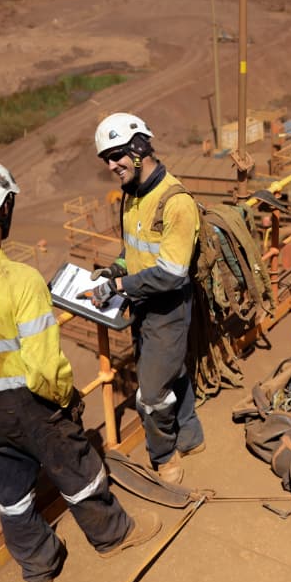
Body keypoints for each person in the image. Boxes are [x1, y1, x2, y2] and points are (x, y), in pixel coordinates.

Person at [0, 159, 160, 582]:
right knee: (75, 465)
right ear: (6, 205)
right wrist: (66, 399)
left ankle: (38, 568)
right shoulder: (20, 279)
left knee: (9, 484)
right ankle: (113, 536)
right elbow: (43, 367)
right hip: (25, 399)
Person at [91, 113, 205, 484]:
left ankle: (165, 457)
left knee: (151, 394)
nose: (111, 165)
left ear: (140, 148)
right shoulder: (132, 196)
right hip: (144, 304)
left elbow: (172, 273)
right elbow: (134, 252)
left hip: (169, 308)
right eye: (106, 158)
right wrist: (114, 270)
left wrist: (119, 288)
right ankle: (190, 436)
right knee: (173, 369)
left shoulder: (176, 202)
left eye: (117, 155)